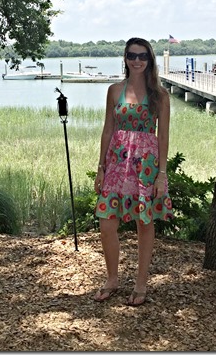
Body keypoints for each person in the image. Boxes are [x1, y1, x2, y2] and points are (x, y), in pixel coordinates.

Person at [92, 37, 173, 306]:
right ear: (125, 59)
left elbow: (163, 137)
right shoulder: (115, 90)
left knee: (144, 223)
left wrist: (162, 174)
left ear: (150, 60)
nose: (136, 60)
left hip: (146, 164)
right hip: (117, 163)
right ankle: (112, 278)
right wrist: (101, 167)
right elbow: (108, 130)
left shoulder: (160, 96)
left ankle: (141, 283)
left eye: (142, 56)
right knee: (106, 224)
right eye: (131, 55)